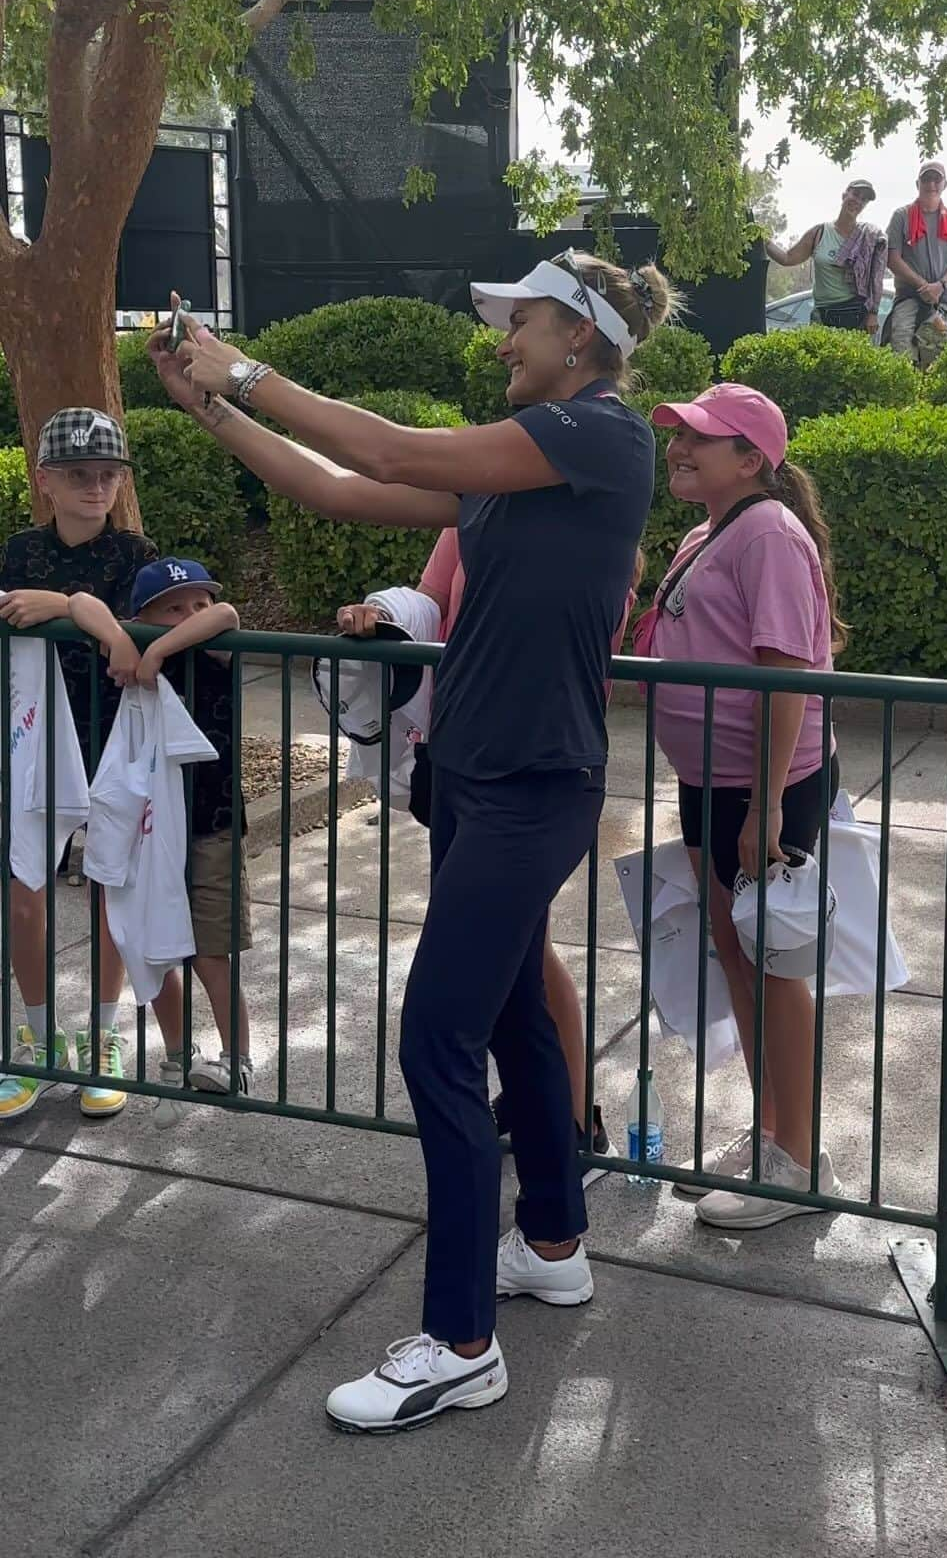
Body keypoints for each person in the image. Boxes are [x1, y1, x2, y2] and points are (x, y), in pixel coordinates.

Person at [148, 253, 672, 1432]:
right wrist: (212, 403)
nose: (504, 341)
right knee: (512, 1018)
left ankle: (459, 1339)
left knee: (435, 1038)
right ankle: (553, 1239)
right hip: (478, 782)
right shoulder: (513, 467)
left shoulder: (603, 438)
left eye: (522, 323)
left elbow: (385, 447)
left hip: (538, 786)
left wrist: (254, 366)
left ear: (581, 339)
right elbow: (339, 488)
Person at [338, 529, 647, 1169]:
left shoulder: (598, 524)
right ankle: (558, 1113)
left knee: (518, 950)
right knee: (524, 945)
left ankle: (570, 1123)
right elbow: (426, 606)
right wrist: (382, 616)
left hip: (534, 769)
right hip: (462, 762)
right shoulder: (472, 514)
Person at [646, 382, 845, 1229]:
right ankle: (774, 1134)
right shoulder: (709, 531)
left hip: (763, 788)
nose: (679, 448)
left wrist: (764, 806)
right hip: (714, 784)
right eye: (677, 435)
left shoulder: (766, 530)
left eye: (702, 437)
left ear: (752, 459)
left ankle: (797, 1166)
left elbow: (784, 671)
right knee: (738, 951)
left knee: (771, 965)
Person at [0, 409, 158, 1121]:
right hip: (32, 743)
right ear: (45, 482)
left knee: (109, 888)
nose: (95, 486)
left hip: (113, 736)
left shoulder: (135, 555)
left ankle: (103, 1038)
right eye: (77, 474)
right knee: (24, 891)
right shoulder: (18, 552)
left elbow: (141, 635)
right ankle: (37, 1042)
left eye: (107, 474)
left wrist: (64, 605)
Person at [70, 559, 251, 1115]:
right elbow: (79, 601)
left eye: (194, 604)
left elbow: (226, 612)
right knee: (154, 945)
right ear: (140, 616)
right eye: (173, 607)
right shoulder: (121, 650)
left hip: (212, 825)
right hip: (148, 831)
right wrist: (123, 643)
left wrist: (157, 649)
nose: (191, 615)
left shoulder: (215, 648)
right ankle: (177, 1051)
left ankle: (236, 1059)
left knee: (212, 952)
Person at [765, 180, 885, 334]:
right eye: (855, 194)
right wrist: (762, 238)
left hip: (853, 315)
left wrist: (873, 313)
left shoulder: (867, 237)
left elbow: (877, 276)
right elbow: (787, 258)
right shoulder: (820, 233)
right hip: (821, 315)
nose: (858, 201)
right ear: (844, 195)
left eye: (864, 199)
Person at [884, 160, 947, 367]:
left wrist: (940, 285)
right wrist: (922, 285)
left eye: (936, 179)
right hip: (909, 296)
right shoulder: (901, 216)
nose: (931, 184)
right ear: (917, 183)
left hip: (942, 299)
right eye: (926, 179)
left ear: (945, 184)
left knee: (943, 355)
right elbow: (892, 259)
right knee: (901, 344)